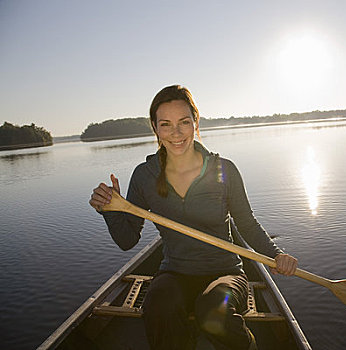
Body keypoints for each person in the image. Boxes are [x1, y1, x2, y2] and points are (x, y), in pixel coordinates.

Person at [89, 85, 298, 350]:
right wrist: (112, 211)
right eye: (166, 124)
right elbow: (127, 240)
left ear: (195, 122)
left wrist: (276, 254)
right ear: (155, 128)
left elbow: (247, 224)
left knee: (214, 309)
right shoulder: (144, 175)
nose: (176, 133)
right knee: (157, 305)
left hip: (226, 274)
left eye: (184, 122)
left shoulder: (224, 169)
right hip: (174, 272)